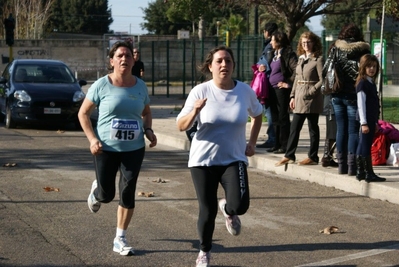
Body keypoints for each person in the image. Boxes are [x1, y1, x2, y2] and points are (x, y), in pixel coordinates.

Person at [176, 45, 263, 267]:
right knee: (207, 209)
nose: (224, 65)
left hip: (234, 158)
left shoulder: (244, 91)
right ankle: (204, 252)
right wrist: (195, 111)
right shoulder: (200, 91)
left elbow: (258, 115)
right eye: (219, 61)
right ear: (210, 66)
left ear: (233, 65)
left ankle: (229, 210)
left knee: (240, 205)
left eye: (228, 61)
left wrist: (252, 142)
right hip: (203, 160)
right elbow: (181, 125)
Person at [78, 41, 157, 256]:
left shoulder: (140, 85)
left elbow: (147, 112)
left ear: (134, 60)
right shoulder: (101, 85)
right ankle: (97, 192)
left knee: (128, 190)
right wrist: (92, 139)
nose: (124, 59)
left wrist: (148, 130)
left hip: (134, 148)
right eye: (120, 55)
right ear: (112, 61)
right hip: (105, 148)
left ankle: (120, 238)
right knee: (106, 195)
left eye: (128, 55)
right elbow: (83, 114)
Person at [275, 31, 323, 166]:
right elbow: (297, 79)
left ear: (314, 43)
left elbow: (322, 80)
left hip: (312, 97)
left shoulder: (318, 59)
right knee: (295, 127)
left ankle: (313, 156)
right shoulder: (301, 58)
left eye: (308, 42)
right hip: (299, 96)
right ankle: (289, 155)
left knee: (313, 127)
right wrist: (292, 96)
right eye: (303, 42)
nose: (306, 45)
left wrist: (312, 91)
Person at [329, 23, 370, 175]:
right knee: (353, 131)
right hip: (354, 94)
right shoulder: (363, 50)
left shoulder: (335, 48)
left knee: (341, 129)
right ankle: (352, 166)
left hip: (336, 93)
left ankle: (341, 165)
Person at [355, 54, 386, 182]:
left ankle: (361, 171)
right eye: (369, 66)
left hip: (370, 120)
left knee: (363, 144)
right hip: (365, 120)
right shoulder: (363, 84)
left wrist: (375, 122)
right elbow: (361, 105)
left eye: (374, 66)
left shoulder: (370, 82)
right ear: (363, 67)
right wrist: (364, 123)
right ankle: (368, 173)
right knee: (365, 145)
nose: (372, 69)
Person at [267, 31, 298, 154]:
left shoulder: (288, 54)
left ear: (279, 41)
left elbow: (296, 70)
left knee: (283, 117)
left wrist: (288, 84)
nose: (271, 42)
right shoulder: (273, 54)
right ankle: (277, 143)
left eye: (273, 40)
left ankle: (285, 145)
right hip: (271, 89)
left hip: (282, 91)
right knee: (275, 118)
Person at [256, 22, 278, 149]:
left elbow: (266, 64)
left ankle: (273, 138)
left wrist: (259, 66)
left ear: (267, 32)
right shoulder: (271, 46)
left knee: (269, 112)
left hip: (268, 83)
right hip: (270, 82)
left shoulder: (269, 47)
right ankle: (274, 138)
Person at [320, 94, 339, 167]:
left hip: (331, 103)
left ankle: (327, 156)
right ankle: (326, 156)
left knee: (332, 132)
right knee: (332, 133)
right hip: (331, 104)